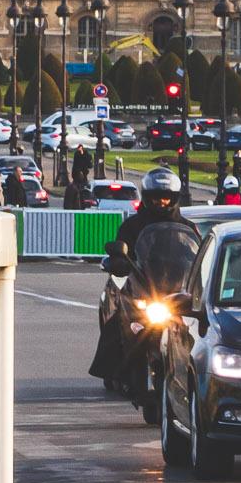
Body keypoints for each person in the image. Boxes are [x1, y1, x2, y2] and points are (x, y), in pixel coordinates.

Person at [91, 167, 198, 391]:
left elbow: (197, 256)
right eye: (156, 198)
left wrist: (199, 270)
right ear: (147, 198)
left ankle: (196, 372)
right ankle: (114, 372)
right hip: (142, 287)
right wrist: (119, 262)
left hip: (176, 290)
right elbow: (121, 255)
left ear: (174, 198)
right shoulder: (132, 226)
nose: (161, 202)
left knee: (203, 329)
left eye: (165, 198)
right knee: (117, 325)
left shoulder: (186, 228)